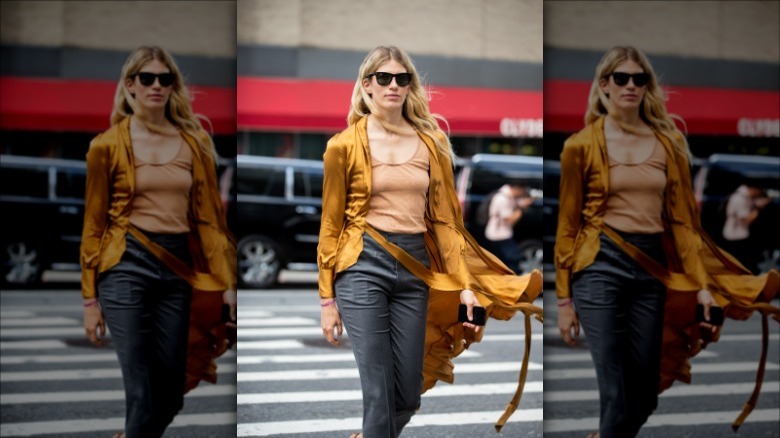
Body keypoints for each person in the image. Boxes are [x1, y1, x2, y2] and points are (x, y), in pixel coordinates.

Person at [317, 46, 543, 438]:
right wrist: (326, 300)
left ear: (410, 86)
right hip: (360, 266)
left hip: (416, 267)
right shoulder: (343, 146)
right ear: (366, 84)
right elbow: (330, 224)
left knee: (407, 394)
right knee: (378, 390)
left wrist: (466, 288)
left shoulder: (431, 141)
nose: (393, 85)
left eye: (402, 78)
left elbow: (444, 222)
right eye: (383, 78)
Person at [554, 45, 778, 438]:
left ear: (647, 86)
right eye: (620, 78)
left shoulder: (669, 143)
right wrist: (563, 301)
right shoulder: (579, 146)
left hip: (652, 268)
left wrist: (703, 287)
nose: (630, 85)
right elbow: (567, 226)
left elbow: (683, 224)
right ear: (604, 84)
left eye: (639, 79)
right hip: (598, 266)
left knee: (644, 391)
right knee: (615, 387)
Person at [80, 46, 237, 438]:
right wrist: (89, 301)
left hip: (178, 266)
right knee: (140, 385)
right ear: (130, 84)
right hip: (124, 265)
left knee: (170, 389)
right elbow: (93, 224)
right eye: (146, 78)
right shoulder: (105, 146)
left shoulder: (194, 142)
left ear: (173, 87)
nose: (156, 85)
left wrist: (227, 286)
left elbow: (210, 223)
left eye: (164, 79)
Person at [484, 183, 534, 273]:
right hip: (498, 236)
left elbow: (517, 203)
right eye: (523, 191)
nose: (522, 194)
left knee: (503, 263)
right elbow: (510, 220)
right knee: (513, 260)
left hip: (501, 234)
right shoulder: (502, 199)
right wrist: (521, 209)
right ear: (517, 189)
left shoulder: (509, 197)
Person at [722, 182, 771, 274]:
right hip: (735, 236)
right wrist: (758, 208)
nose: (759, 195)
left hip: (737, 234)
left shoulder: (744, 196)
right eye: (759, 192)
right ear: (753, 189)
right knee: (738, 263)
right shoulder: (740, 199)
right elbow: (747, 220)